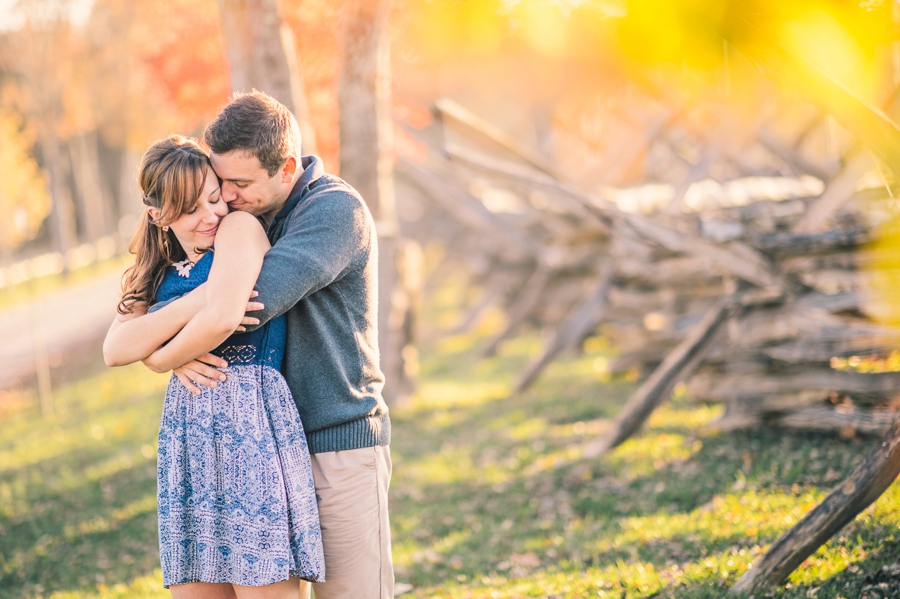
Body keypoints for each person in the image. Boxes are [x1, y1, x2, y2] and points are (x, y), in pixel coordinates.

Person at [106, 91, 394, 599]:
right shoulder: (249, 217)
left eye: (237, 185)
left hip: (337, 440)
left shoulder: (332, 211)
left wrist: (158, 357)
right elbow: (153, 324)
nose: (227, 200)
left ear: (286, 168)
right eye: (221, 185)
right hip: (269, 442)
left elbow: (243, 307)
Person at [103, 135, 325, 597]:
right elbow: (116, 349)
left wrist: (162, 353)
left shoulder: (239, 228)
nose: (211, 214)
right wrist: (199, 302)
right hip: (189, 440)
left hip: (252, 428)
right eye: (190, 209)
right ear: (157, 215)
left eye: (212, 196)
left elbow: (224, 319)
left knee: (265, 582)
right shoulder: (155, 269)